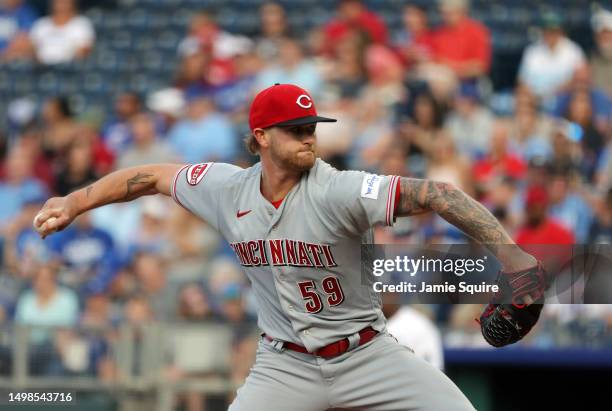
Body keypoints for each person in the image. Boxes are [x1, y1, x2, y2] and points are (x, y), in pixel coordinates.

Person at [35, 83, 543, 411]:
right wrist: (75, 201)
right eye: (295, 130)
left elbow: (439, 194)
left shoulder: (339, 189)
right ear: (260, 137)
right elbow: (148, 177)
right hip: (284, 365)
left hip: (366, 355)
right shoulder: (226, 188)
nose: (309, 137)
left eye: (312, 128)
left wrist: (513, 256)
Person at [29, 0, 94, 65]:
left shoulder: (82, 24)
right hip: (41, 69)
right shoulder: (41, 24)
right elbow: (31, 49)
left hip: (69, 70)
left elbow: (84, 51)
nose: (61, 3)